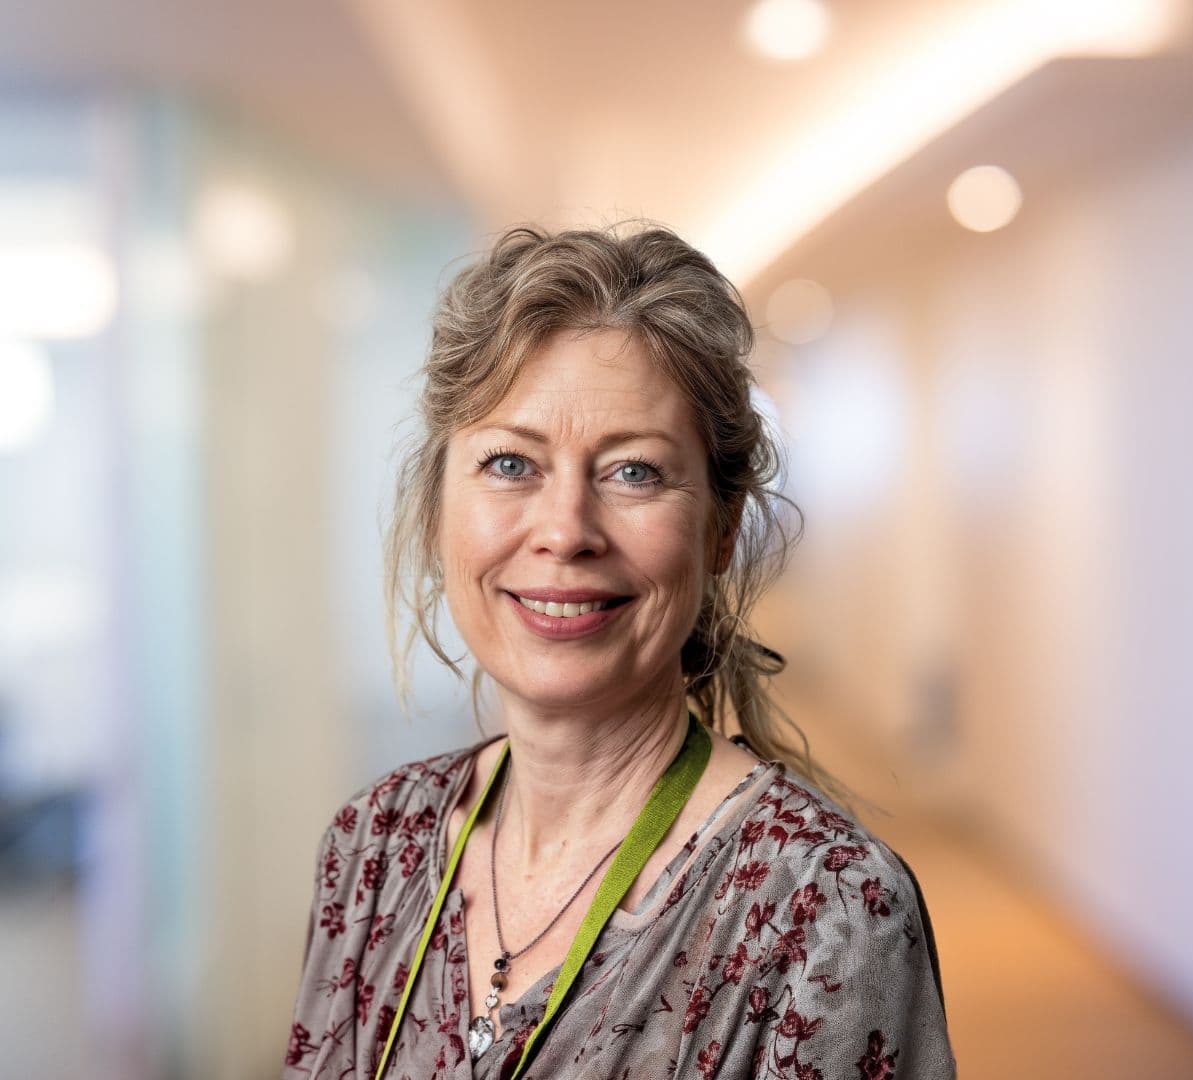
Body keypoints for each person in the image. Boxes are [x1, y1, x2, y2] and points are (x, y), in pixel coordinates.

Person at [283, 224, 955, 1079]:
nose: (565, 531)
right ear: (435, 511)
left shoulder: (825, 913)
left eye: (633, 471)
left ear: (720, 531)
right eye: (509, 463)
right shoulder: (374, 848)